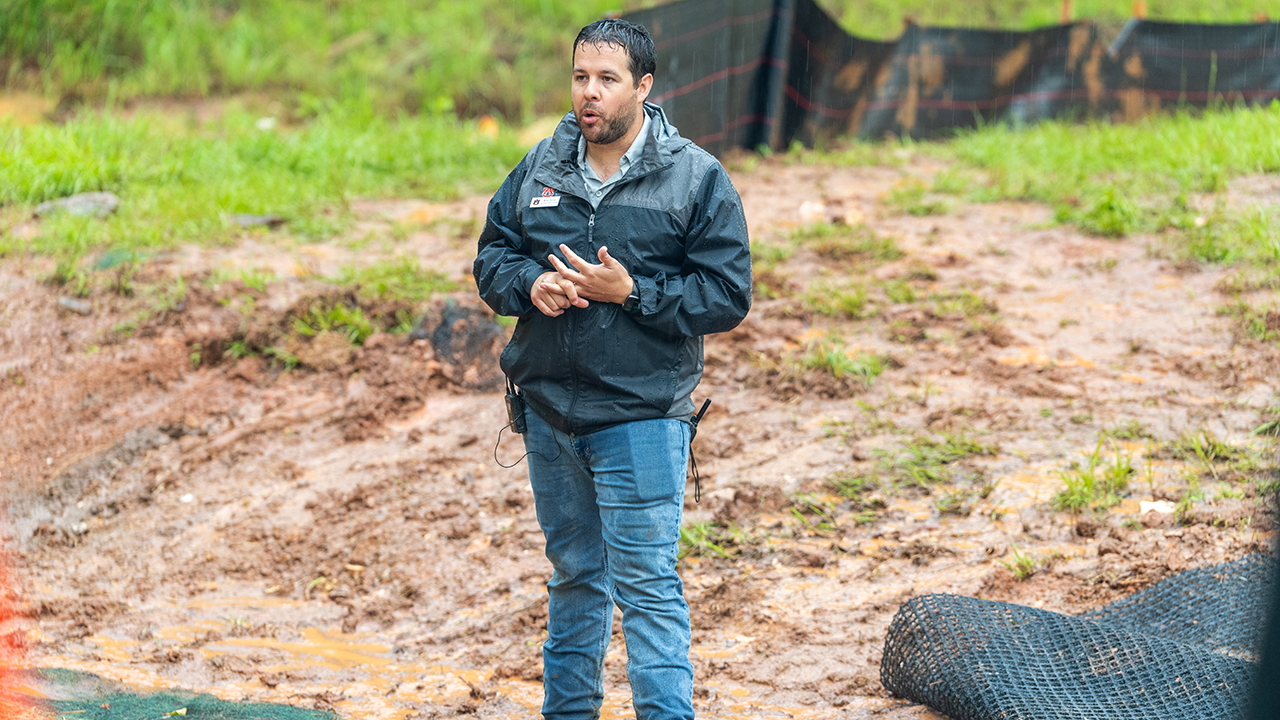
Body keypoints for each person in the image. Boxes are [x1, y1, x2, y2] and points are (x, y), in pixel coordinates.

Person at [472, 17, 752, 720]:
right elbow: (492, 256)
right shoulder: (541, 165)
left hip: (641, 419)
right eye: (579, 77)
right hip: (549, 416)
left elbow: (726, 295)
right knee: (573, 580)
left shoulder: (695, 177)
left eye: (606, 79)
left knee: (648, 589)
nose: (588, 94)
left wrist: (632, 293)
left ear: (644, 86)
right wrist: (528, 285)